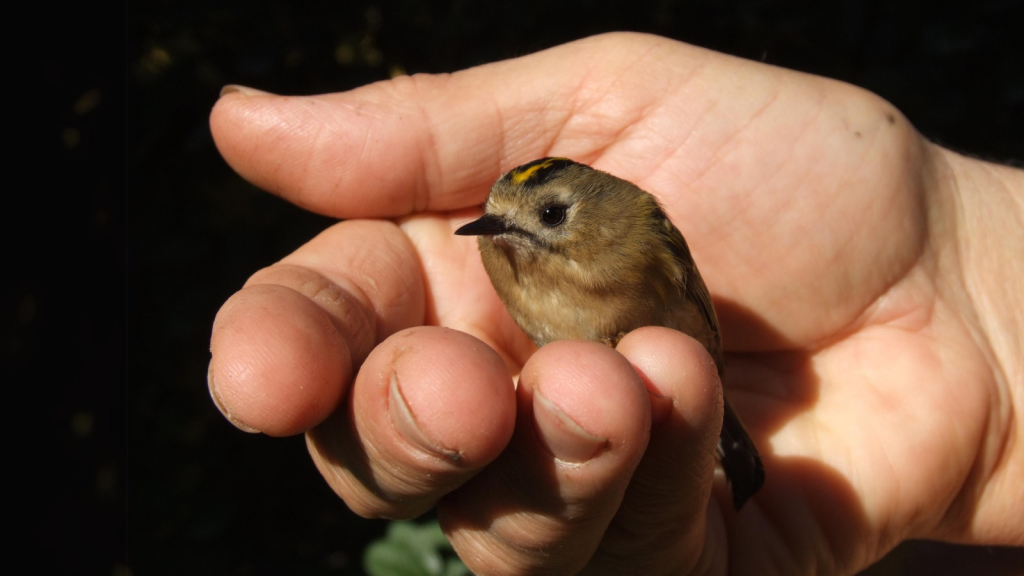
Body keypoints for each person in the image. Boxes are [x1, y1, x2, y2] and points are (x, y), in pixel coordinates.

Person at [206, 32, 1023, 575]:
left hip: (677, 369)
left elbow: (692, 305)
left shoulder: (641, 230)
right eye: (498, 219)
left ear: (590, 207)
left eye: (547, 215)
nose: (509, 233)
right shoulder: (502, 256)